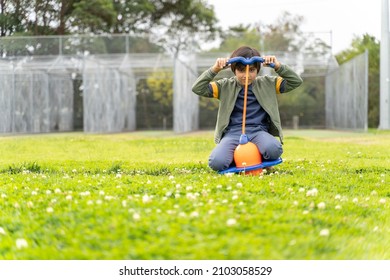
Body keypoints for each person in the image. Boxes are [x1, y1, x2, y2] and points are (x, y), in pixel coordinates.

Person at [192, 46, 303, 172]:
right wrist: (214, 69)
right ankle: (238, 158)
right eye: (241, 70)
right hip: (232, 133)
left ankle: (258, 158)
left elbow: (296, 81)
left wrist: (278, 66)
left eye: (251, 70)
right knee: (217, 163)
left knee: (274, 149)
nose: (246, 75)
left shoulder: (268, 83)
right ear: (234, 70)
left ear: (257, 70)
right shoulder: (224, 85)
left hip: (258, 131)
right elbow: (198, 88)